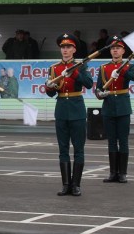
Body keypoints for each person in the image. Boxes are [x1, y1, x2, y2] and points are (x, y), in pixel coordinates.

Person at [44, 33, 93, 196]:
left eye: (68, 47)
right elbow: (51, 94)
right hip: (61, 110)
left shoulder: (81, 66)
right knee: (63, 148)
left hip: (77, 109)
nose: (65, 50)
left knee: (78, 149)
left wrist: (74, 73)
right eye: (63, 47)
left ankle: (76, 185)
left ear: (74, 49)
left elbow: (89, 83)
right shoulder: (54, 68)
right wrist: (49, 86)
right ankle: (66, 184)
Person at [95, 36, 134, 184]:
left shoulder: (129, 66)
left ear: (123, 51)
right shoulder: (103, 68)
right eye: (112, 48)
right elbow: (98, 87)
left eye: (118, 48)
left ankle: (122, 173)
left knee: (123, 140)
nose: (115, 50)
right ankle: (112, 173)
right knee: (111, 141)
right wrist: (100, 94)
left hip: (122, 106)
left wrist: (121, 71)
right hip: (108, 106)